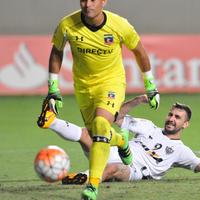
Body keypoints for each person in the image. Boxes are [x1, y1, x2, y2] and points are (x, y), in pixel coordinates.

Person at [37, 0, 160, 199]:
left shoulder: (120, 25)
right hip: (84, 88)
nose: (87, 4)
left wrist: (150, 86)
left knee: (101, 124)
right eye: (83, 0)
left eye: (93, 0)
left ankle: (93, 186)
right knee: (97, 134)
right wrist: (53, 88)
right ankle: (120, 140)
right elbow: (57, 52)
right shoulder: (67, 25)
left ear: (104, 1)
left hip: (111, 83)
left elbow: (139, 51)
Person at [41, 95, 200, 184]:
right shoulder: (147, 127)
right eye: (171, 115)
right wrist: (137, 100)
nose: (171, 119)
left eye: (177, 117)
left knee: (114, 168)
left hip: (134, 170)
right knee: (89, 133)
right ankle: (50, 120)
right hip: (116, 151)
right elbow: (117, 117)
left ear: (185, 125)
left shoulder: (181, 151)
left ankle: (79, 178)